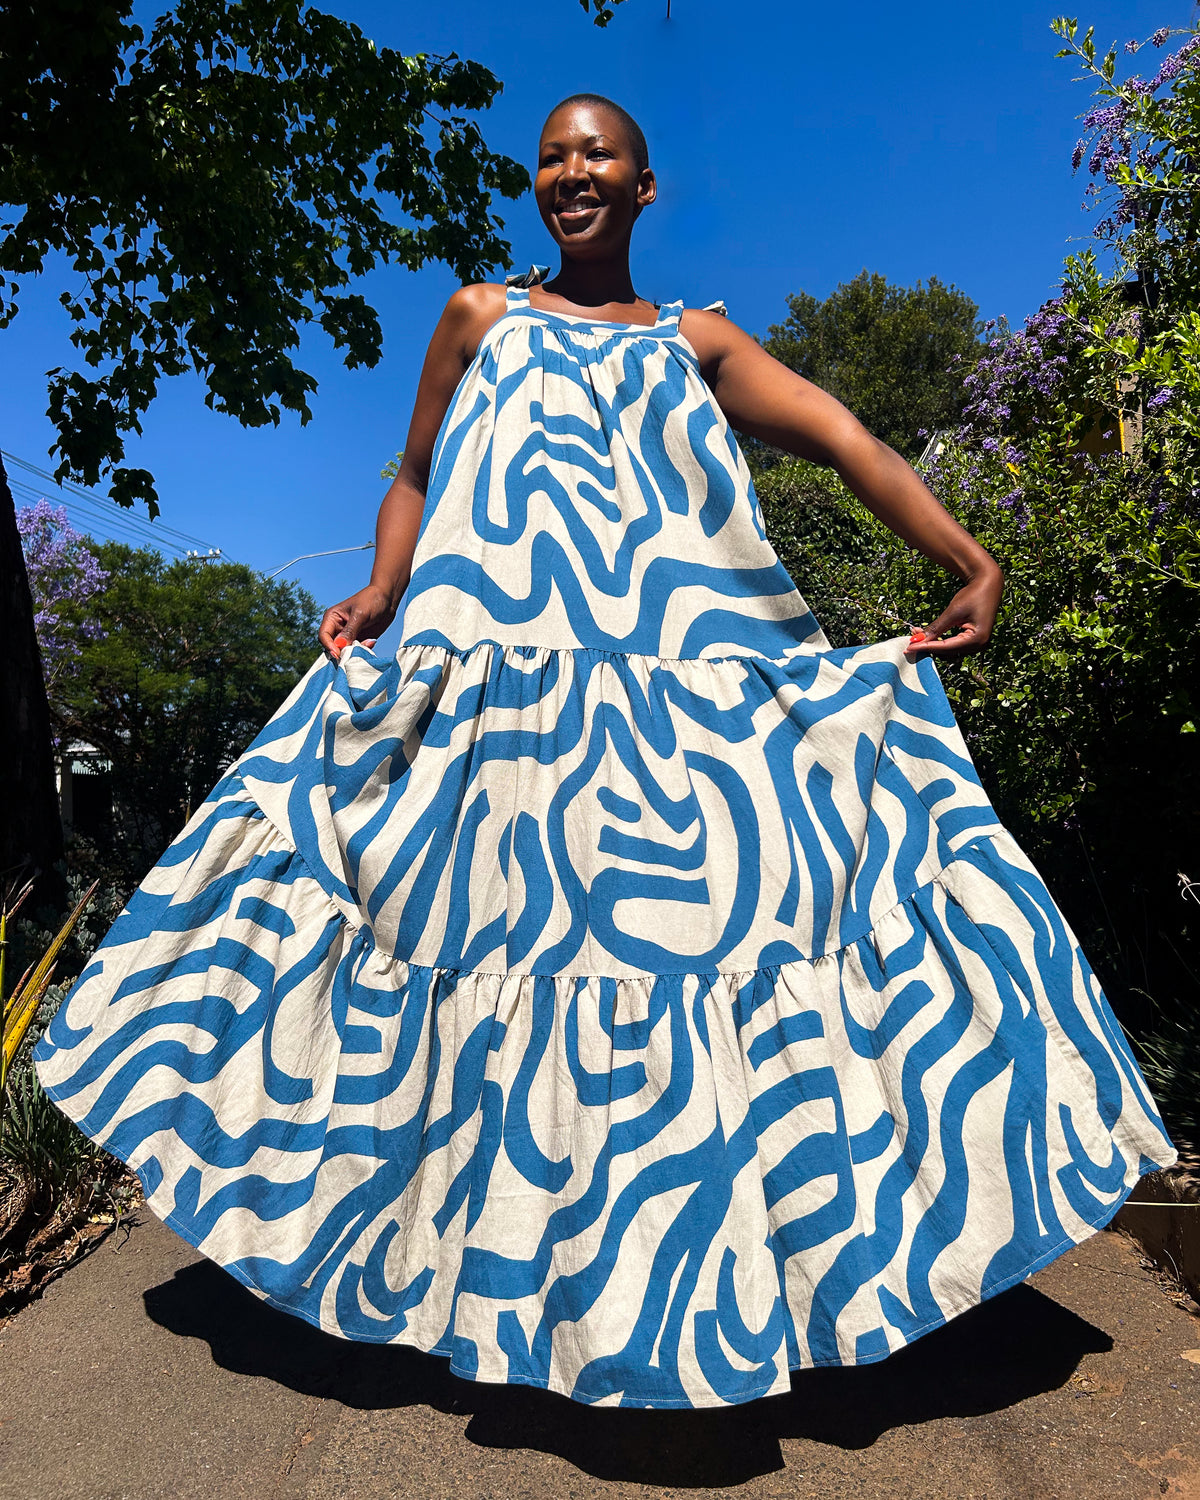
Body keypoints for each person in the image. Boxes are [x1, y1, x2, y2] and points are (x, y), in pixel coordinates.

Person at [36, 94, 1174, 1411]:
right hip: (500, 710)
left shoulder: (697, 341)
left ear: (644, 187)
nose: (572, 170)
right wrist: (386, 589)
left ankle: (673, 1294)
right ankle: (494, 1283)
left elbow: (847, 436)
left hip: (670, 724)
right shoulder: (479, 316)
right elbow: (413, 473)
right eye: (554, 155)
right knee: (469, 949)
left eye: (599, 156)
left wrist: (969, 558)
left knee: (672, 959)